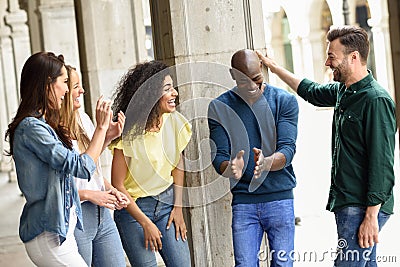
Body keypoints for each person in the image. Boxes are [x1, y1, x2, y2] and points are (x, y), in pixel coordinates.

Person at [257, 25, 396, 267]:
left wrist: (371, 216)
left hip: (362, 205)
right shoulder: (345, 91)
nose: (327, 63)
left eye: (332, 56)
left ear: (353, 58)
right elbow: (310, 91)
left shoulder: (375, 100)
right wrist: (275, 68)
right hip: (350, 202)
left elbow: (382, 164)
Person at [4, 51, 112, 266]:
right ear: (47, 85)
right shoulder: (31, 128)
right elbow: (80, 167)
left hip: (60, 233)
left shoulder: (42, 125)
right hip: (48, 236)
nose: (66, 90)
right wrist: (101, 128)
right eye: (64, 82)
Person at [208, 49, 299, 266]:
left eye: (257, 80)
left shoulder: (284, 101)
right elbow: (218, 156)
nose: (251, 87)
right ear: (232, 75)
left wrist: (267, 163)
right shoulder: (219, 107)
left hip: (280, 199)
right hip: (244, 203)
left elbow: (288, 149)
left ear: (262, 67)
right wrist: (230, 168)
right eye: (243, 82)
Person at [109, 60, 192, 266]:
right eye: (167, 89)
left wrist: (178, 208)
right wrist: (144, 222)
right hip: (134, 211)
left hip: (167, 205)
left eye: (173, 87)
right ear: (151, 95)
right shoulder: (127, 134)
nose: (174, 93)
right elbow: (118, 185)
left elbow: (178, 164)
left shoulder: (174, 122)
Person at [60, 65, 129, 266]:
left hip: (102, 215)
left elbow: (92, 169)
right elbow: (60, 186)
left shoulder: (83, 118)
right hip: (77, 217)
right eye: (75, 86)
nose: (82, 91)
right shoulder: (50, 131)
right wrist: (90, 195)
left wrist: (111, 190)